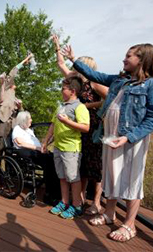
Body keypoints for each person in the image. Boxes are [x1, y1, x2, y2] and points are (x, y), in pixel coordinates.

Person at [64, 43, 153, 242]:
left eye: (129, 56)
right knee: (110, 176)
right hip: (110, 137)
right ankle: (109, 214)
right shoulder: (121, 80)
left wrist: (129, 136)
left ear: (143, 59)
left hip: (130, 140)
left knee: (132, 181)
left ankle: (129, 225)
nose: (124, 59)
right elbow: (96, 76)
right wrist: (73, 59)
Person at [52, 34, 109, 215]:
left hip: (92, 127)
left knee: (95, 166)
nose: (74, 68)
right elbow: (60, 64)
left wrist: (87, 105)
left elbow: (111, 99)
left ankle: (97, 202)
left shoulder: (94, 84)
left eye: (79, 65)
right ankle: (80, 199)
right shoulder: (76, 81)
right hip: (76, 130)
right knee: (81, 165)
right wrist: (56, 45)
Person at [41, 75, 90, 220]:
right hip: (58, 147)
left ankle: (77, 206)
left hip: (71, 149)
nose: (61, 91)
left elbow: (85, 128)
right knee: (62, 177)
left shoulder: (80, 107)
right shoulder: (60, 106)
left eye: (63, 89)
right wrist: (45, 141)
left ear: (72, 90)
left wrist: (68, 122)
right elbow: (53, 125)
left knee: (73, 178)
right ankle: (64, 202)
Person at [11, 111, 61, 205]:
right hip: (24, 151)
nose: (31, 120)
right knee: (50, 164)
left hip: (36, 151)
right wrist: (38, 148)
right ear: (24, 120)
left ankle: (55, 193)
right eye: (30, 118)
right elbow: (20, 143)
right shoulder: (17, 129)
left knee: (54, 160)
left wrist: (43, 146)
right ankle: (49, 195)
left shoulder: (29, 130)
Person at [0, 54, 33, 154]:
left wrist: (20, 107)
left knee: (10, 149)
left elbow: (21, 113)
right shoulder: (6, 88)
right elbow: (13, 71)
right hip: (2, 121)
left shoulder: (14, 97)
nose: (14, 82)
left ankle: (8, 169)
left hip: (12, 125)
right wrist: (26, 60)